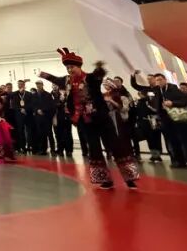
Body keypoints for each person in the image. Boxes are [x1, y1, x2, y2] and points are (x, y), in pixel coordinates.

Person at [40, 48, 139, 190]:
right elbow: (54, 79)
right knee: (94, 149)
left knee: (115, 145)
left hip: (101, 118)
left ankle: (129, 178)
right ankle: (105, 180)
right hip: (84, 121)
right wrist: (42, 74)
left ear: (79, 66)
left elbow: (98, 75)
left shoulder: (90, 78)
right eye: (68, 68)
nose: (70, 70)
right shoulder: (67, 81)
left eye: (72, 67)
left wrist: (99, 68)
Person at [162, 79, 187, 168]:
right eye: (181, 88)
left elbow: (185, 103)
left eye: (184, 88)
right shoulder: (166, 94)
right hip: (176, 121)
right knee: (179, 142)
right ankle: (182, 161)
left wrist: (173, 103)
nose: (182, 90)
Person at [31, 79, 56, 155]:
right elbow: (33, 105)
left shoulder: (48, 95)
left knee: (49, 134)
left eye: (39, 84)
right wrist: (37, 110)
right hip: (38, 118)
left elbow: (51, 106)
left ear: (42, 85)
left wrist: (43, 110)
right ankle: (43, 149)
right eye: (37, 84)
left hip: (46, 117)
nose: (38, 85)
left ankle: (53, 150)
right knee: (41, 134)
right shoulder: (34, 95)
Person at [9, 79, 32, 154]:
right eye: (19, 84)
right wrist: (20, 109)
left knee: (29, 131)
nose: (20, 85)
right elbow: (13, 105)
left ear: (24, 85)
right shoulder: (15, 94)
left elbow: (31, 104)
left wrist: (25, 109)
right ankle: (22, 147)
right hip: (19, 115)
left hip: (27, 114)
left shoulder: (29, 94)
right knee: (20, 131)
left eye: (21, 84)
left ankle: (30, 145)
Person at [50, 85, 73, 156]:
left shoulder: (65, 93)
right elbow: (51, 106)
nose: (55, 86)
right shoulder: (50, 95)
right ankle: (60, 150)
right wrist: (58, 103)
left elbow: (69, 104)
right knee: (58, 134)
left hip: (66, 117)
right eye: (53, 85)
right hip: (56, 118)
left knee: (68, 134)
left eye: (56, 85)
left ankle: (69, 150)